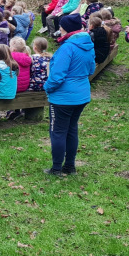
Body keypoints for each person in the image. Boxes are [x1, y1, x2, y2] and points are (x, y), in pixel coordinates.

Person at [43, 14, 95, 176]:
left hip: (63, 98)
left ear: (66, 28)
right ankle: (70, 166)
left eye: (61, 26)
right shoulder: (88, 45)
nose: (59, 28)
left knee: (57, 131)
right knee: (71, 129)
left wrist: (47, 87)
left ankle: (57, 168)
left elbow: (57, 76)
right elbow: (91, 69)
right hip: (81, 95)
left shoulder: (67, 48)